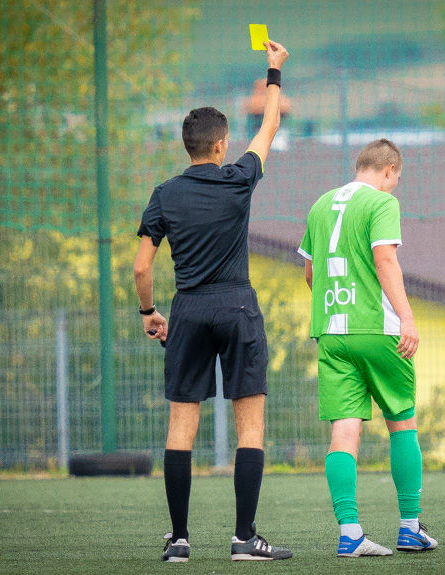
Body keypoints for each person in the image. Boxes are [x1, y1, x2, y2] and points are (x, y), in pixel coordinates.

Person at [133, 39, 291, 563]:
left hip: (190, 309)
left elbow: (140, 266)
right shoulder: (238, 179)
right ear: (221, 146)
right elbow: (268, 128)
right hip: (238, 308)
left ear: (188, 148)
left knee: (181, 427)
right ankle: (245, 539)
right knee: (251, 427)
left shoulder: (164, 193)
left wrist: (149, 313)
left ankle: (178, 541)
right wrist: (273, 71)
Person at [297, 139, 438, 557]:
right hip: (377, 331)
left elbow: (309, 272)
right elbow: (385, 260)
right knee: (402, 422)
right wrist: (407, 317)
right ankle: (410, 527)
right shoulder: (381, 203)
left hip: (331, 332)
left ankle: (350, 532)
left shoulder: (321, 205)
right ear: (390, 169)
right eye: (397, 178)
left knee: (343, 432)